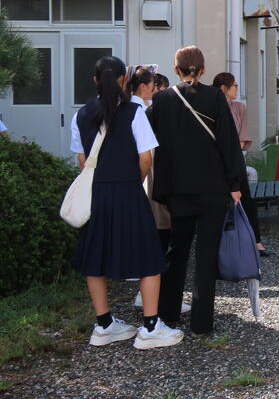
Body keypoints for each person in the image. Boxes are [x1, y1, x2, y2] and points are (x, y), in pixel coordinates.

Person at [70, 56, 183, 350]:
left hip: (96, 194)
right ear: (124, 80)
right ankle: (150, 328)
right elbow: (146, 157)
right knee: (148, 258)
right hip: (129, 191)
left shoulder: (81, 114)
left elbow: (82, 160)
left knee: (94, 259)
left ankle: (104, 325)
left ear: (95, 81)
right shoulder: (134, 111)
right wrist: (134, 180)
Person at [148, 46, 244, 335]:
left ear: (175, 70)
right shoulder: (214, 97)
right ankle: (202, 322)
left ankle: (168, 313)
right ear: (203, 69)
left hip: (177, 188)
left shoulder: (162, 99)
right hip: (213, 187)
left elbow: (152, 142)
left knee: (177, 250)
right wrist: (235, 184)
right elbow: (229, 142)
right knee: (206, 253)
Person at [126, 66, 190, 315]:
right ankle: (155, 301)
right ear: (144, 87)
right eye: (155, 87)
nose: (156, 92)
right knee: (160, 242)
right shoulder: (140, 111)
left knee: (155, 240)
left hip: (143, 179)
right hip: (150, 178)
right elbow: (146, 156)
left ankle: (152, 297)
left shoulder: (127, 109)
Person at [212, 72, 268, 257]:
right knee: (218, 205)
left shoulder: (238, 107)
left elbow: (243, 137)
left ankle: (255, 240)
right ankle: (222, 244)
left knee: (246, 200)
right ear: (223, 88)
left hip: (236, 160)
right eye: (234, 85)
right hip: (216, 163)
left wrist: (233, 150)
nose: (237, 88)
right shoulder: (212, 106)